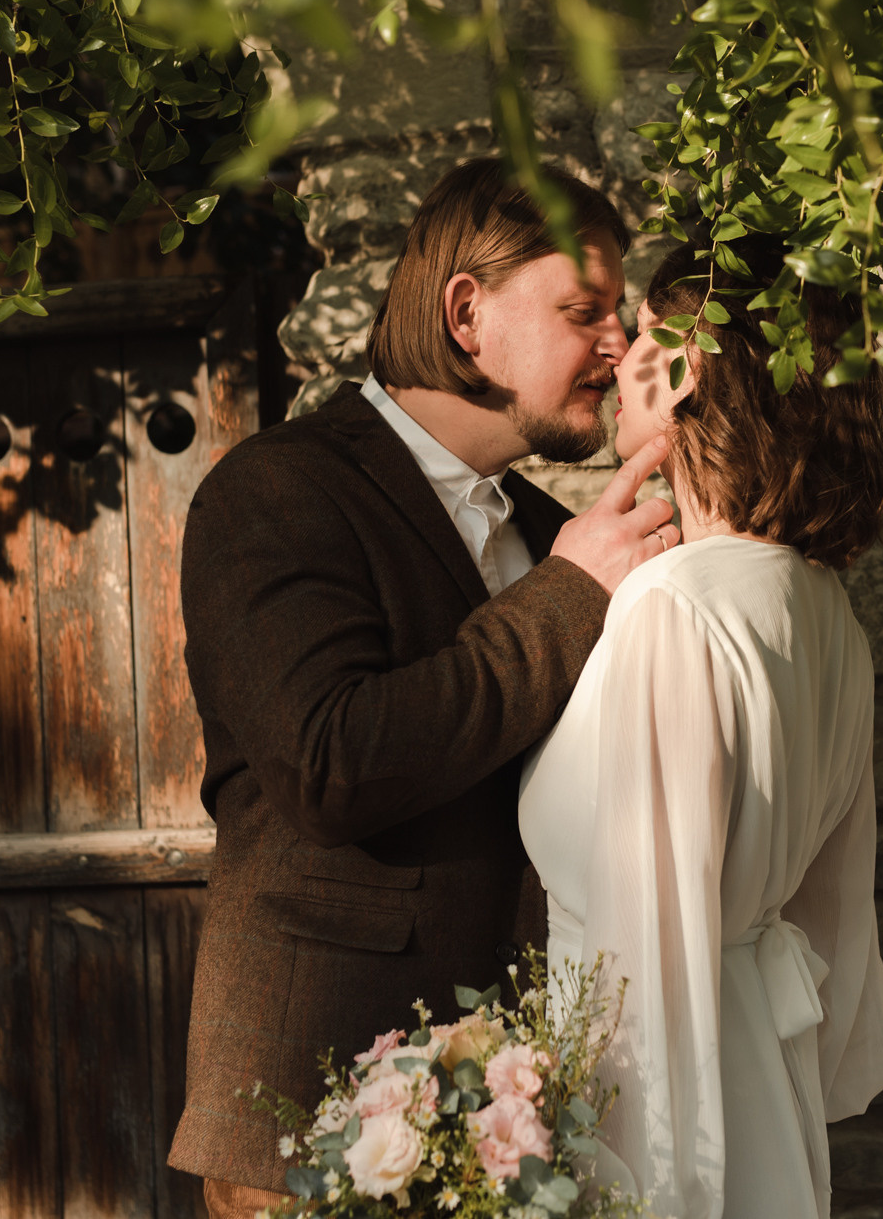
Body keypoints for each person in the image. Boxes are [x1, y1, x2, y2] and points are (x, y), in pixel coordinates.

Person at [169, 159, 682, 1219]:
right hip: (312, 1118)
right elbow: (330, 763)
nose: (618, 345)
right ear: (465, 313)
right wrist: (566, 597)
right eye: (584, 311)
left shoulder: (551, 532)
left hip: (521, 1121)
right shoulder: (276, 490)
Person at [518, 235, 883, 1219]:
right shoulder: (822, 605)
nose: (618, 359)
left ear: (690, 365)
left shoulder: (673, 605)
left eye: (642, 333)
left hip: (660, 1117)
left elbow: (646, 948)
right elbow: (832, 911)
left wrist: (623, 1178)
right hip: (756, 1075)